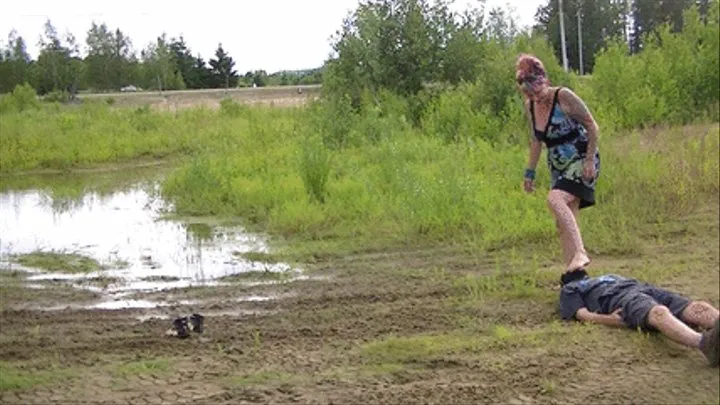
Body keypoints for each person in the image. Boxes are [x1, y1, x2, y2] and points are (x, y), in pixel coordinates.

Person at [516, 54, 600, 275]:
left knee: (555, 199)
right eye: (528, 93)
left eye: (536, 90)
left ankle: (581, 252)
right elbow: (536, 141)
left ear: (544, 80)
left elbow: (592, 126)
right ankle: (575, 275)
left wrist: (590, 160)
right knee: (564, 222)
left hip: (581, 157)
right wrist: (529, 173)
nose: (534, 96)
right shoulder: (530, 106)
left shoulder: (564, 96)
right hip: (558, 164)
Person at [559, 269, 720, 367]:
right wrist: (610, 319)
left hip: (644, 288)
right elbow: (582, 315)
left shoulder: (608, 276)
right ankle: (705, 344)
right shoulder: (570, 289)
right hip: (619, 298)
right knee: (658, 312)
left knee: (698, 307)